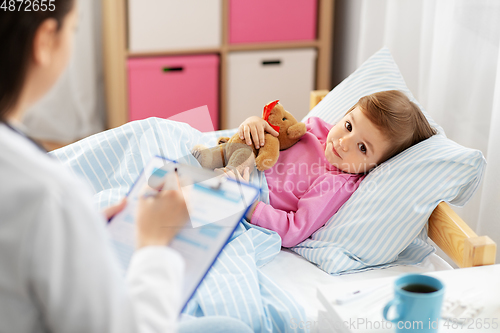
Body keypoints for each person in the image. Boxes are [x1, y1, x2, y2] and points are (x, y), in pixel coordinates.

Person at [0, 2, 252, 333]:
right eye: (74, 29)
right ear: (45, 40)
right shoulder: (48, 194)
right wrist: (153, 245)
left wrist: (77, 229)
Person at [238, 91, 437, 247]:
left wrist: (249, 205)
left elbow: (294, 230)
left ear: (374, 166)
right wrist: (255, 123)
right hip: (242, 157)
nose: (343, 142)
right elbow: (276, 135)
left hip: (251, 194)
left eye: (362, 148)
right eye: (349, 126)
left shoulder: (336, 182)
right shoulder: (315, 128)